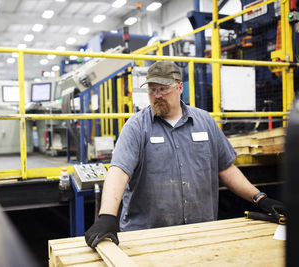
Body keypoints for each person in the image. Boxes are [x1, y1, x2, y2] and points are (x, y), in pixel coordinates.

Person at [85, 61, 285, 248]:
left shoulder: (205, 122)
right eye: (152, 90)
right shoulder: (136, 127)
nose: (157, 95)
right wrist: (107, 216)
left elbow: (225, 169)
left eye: (163, 89)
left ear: (180, 88)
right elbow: (119, 170)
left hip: (200, 234)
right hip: (148, 238)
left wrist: (260, 198)